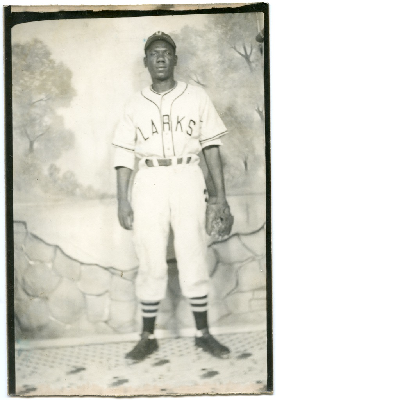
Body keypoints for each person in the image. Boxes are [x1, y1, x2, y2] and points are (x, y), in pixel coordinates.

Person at [112, 31, 231, 361]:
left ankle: (203, 334)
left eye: (166, 52)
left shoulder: (197, 97)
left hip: (188, 176)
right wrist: (122, 200)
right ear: (146, 61)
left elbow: (211, 147)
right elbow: (123, 157)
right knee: (149, 254)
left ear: (175, 59)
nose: (160, 57)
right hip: (149, 179)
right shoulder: (134, 104)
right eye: (154, 53)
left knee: (192, 250)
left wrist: (219, 197)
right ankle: (147, 337)